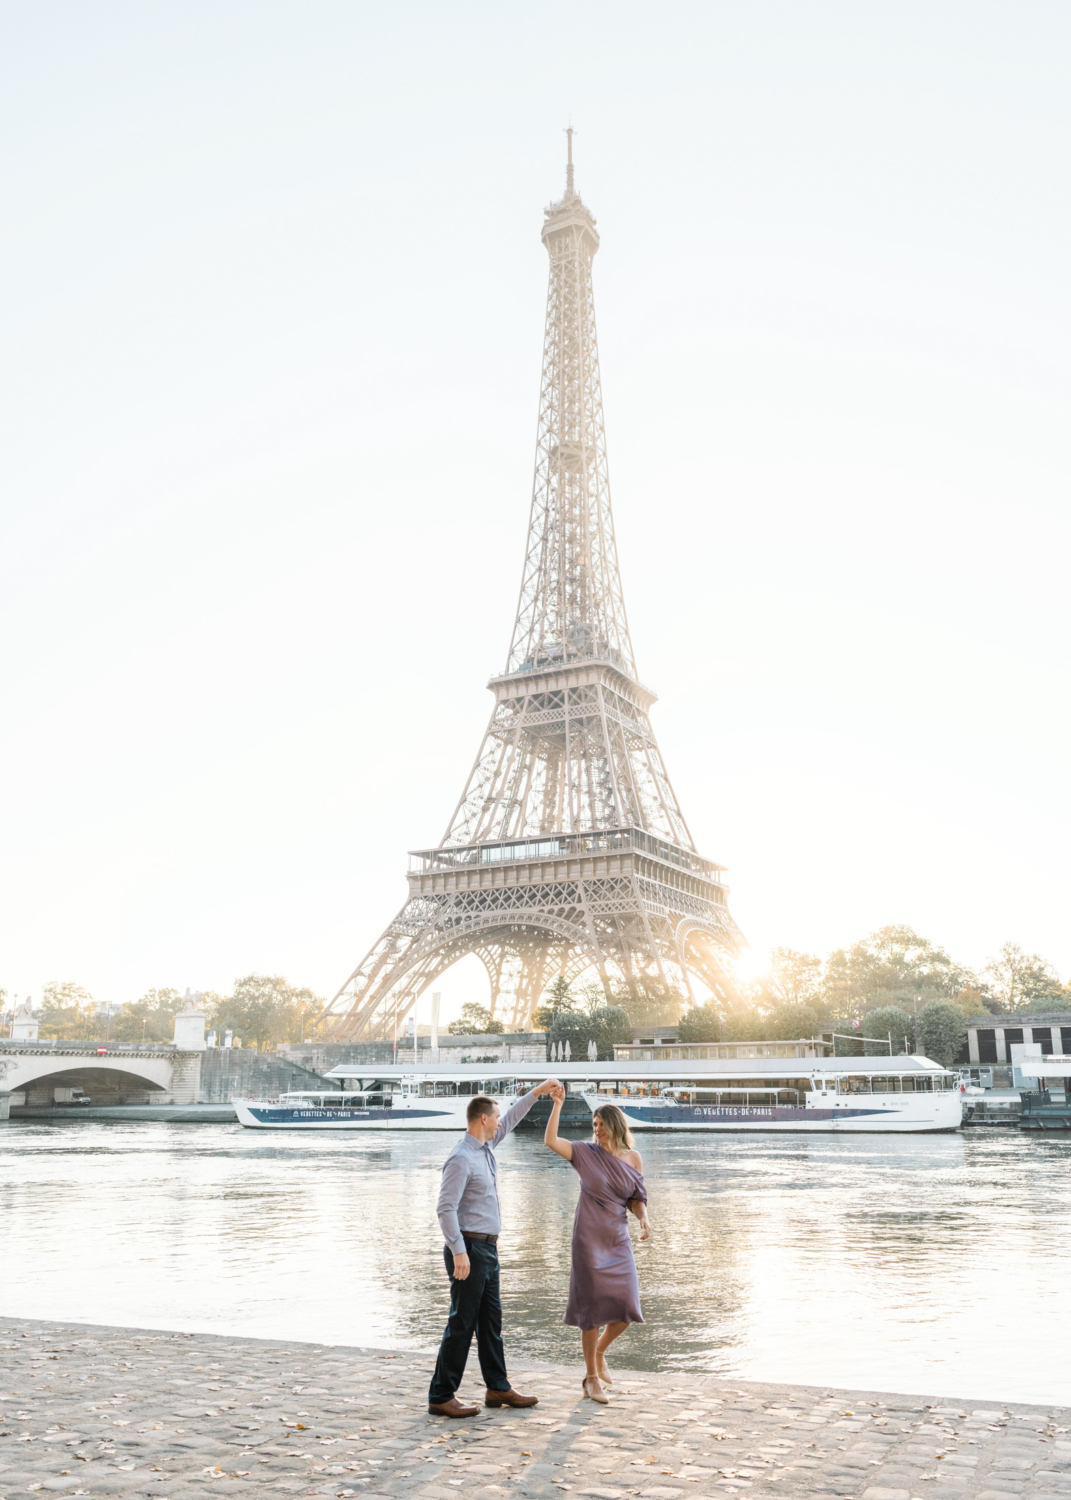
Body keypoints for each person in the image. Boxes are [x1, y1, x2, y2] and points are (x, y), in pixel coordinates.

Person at [428, 1079, 560, 1418]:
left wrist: (539, 1091)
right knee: (462, 1322)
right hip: (468, 1249)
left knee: (490, 1321)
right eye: (496, 1116)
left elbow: (514, 1116)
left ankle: (497, 1387)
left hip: (487, 1249)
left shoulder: (485, 1148)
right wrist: (458, 1251)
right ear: (482, 1119)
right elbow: (445, 1208)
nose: (500, 1120)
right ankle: (441, 1395)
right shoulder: (461, 1158)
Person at [543, 1084, 651, 1404]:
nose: (597, 1129)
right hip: (588, 1238)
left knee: (627, 1307)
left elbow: (636, 1198)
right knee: (590, 1312)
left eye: (601, 1124)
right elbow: (550, 1141)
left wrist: (643, 1218)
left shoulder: (633, 1157)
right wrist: (558, 1105)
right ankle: (591, 1379)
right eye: (594, 1125)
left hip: (617, 1238)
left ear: (615, 1125)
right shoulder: (585, 1154)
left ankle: (600, 1352)